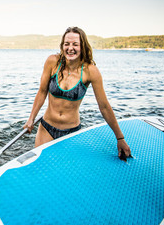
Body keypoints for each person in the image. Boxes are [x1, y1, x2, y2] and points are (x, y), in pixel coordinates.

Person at [24, 26, 131, 159]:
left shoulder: (90, 71)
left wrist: (119, 138)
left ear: (83, 46)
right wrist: (31, 119)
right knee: (41, 165)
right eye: (67, 44)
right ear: (62, 45)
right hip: (47, 128)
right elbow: (42, 92)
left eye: (75, 44)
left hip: (71, 131)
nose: (70, 48)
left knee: (65, 170)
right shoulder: (52, 62)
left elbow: (104, 106)